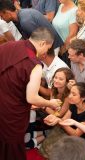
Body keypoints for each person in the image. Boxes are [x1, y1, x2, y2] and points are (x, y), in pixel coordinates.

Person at [0, 27, 62, 160]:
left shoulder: (8, 45)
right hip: (12, 111)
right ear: (42, 43)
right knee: (12, 147)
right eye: (47, 49)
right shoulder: (34, 64)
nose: (45, 53)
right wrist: (49, 103)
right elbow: (31, 97)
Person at [42, 82, 85, 158]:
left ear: (83, 98)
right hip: (72, 135)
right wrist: (54, 118)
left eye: (74, 94)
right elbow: (64, 119)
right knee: (49, 146)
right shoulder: (73, 104)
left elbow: (76, 134)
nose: (69, 96)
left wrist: (59, 121)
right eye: (70, 93)